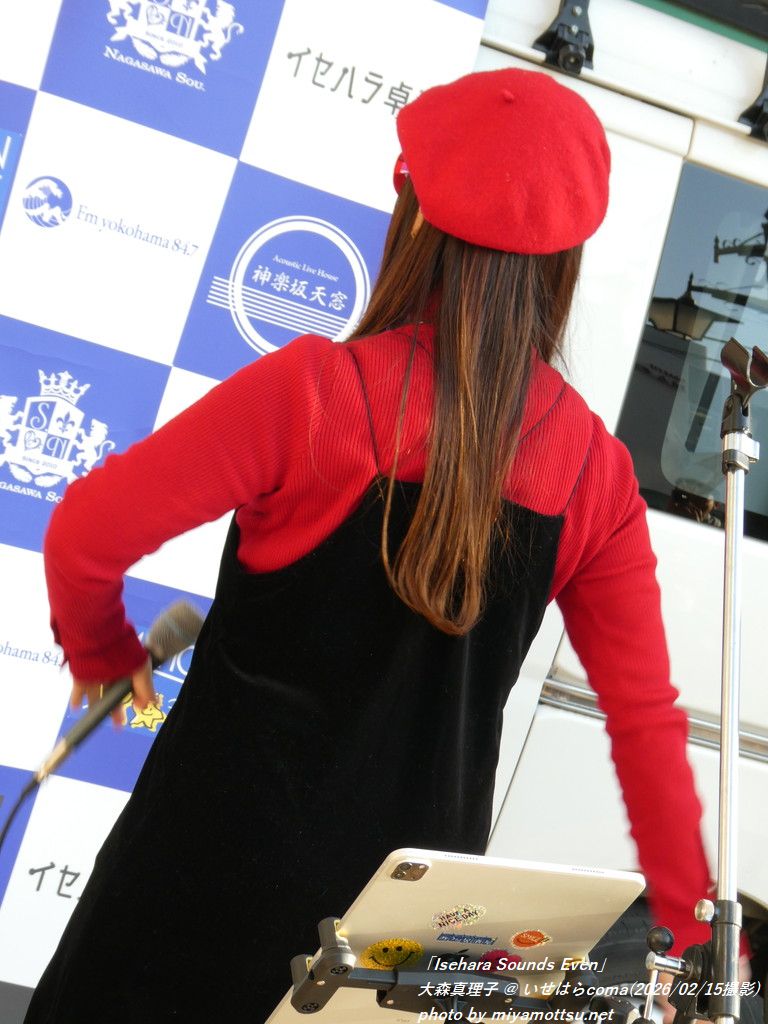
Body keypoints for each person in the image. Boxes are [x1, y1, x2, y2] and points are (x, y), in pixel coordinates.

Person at [27, 68, 717, 1022]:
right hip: (397, 937)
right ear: (565, 259)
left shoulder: (313, 394)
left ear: (414, 215)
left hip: (199, 876)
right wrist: (682, 932)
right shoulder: (595, 474)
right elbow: (644, 720)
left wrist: (105, 655)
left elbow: (84, 534)